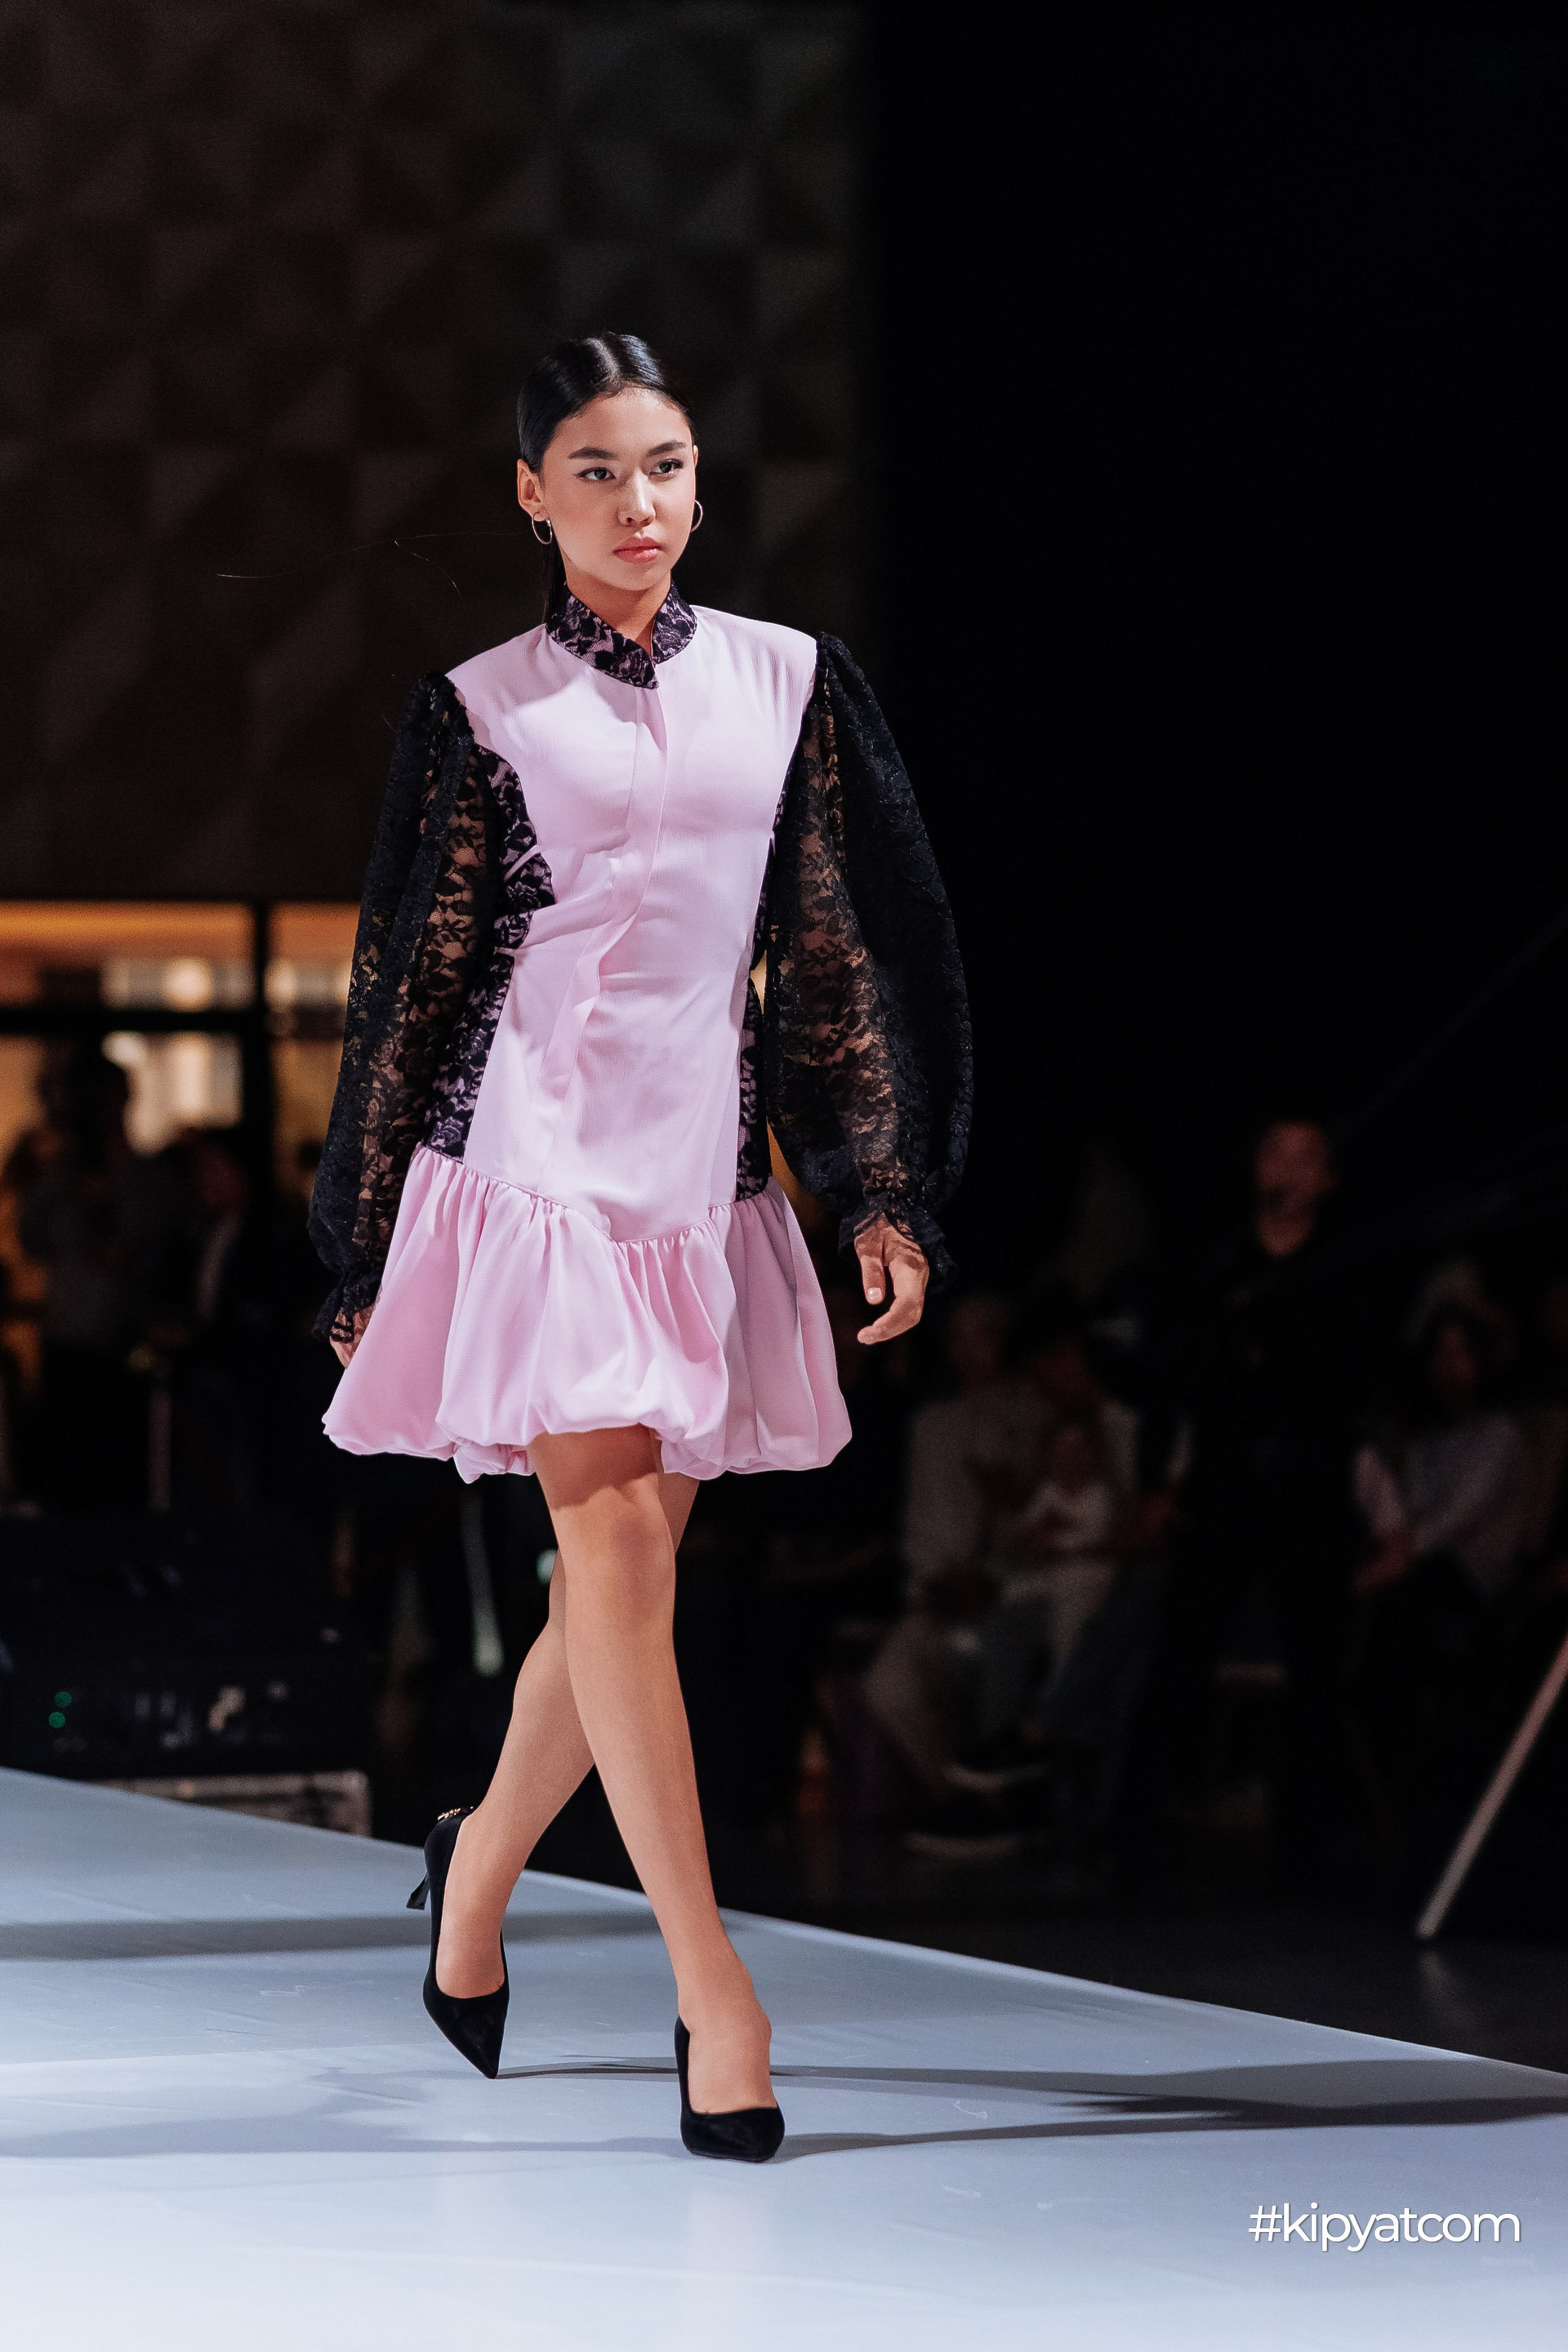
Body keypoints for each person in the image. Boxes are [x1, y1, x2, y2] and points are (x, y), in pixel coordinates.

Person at [309, 332, 970, 2158]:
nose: (638, 503)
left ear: (699, 481)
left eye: (664, 465)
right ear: (532, 496)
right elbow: (412, 982)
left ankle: (474, 1876)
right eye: (594, 472)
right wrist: (363, 1242)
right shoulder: (483, 706)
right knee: (611, 1561)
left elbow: (837, 945)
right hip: (534, 1173)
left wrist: (883, 1183)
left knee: (617, 1592)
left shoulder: (788, 681)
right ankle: (713, 1990)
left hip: (704, 1179)